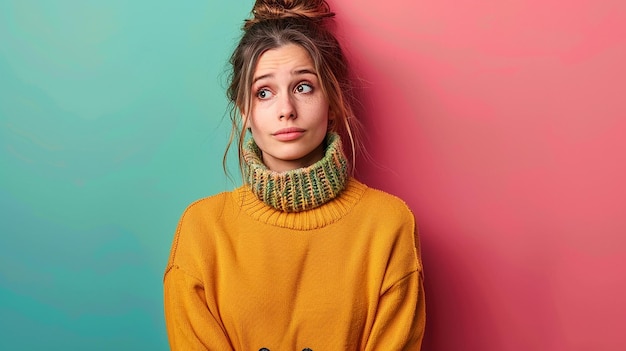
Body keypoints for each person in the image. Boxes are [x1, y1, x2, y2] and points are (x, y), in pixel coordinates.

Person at [163, 0, 426, 349]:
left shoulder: (388, 224)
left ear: (332, 104)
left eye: (303, 87)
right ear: (245, 113)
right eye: (264, 92)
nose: (286, 110)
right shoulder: (202, 229)